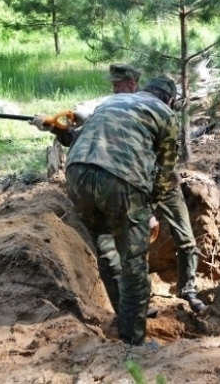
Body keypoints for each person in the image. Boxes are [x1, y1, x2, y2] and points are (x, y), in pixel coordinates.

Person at [32, 77, 180, 346]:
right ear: (170, 100)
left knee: (107, 248)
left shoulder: (111, 102)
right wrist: (151, 208)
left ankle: (127, 314)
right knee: (134, 262)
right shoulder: (166, 114)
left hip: (77, 172)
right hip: (121, 180)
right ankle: (133, 341)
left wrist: (56, 130)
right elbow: (165, 171)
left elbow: (78, 138)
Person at [100, 65, 206, 315]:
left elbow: (166, 163)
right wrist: (147, 208)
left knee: (186, 238)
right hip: (136, 184)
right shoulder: (132, 110)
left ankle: (188, 289)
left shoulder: (164, 116)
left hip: (165, 183)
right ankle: (141, 298)